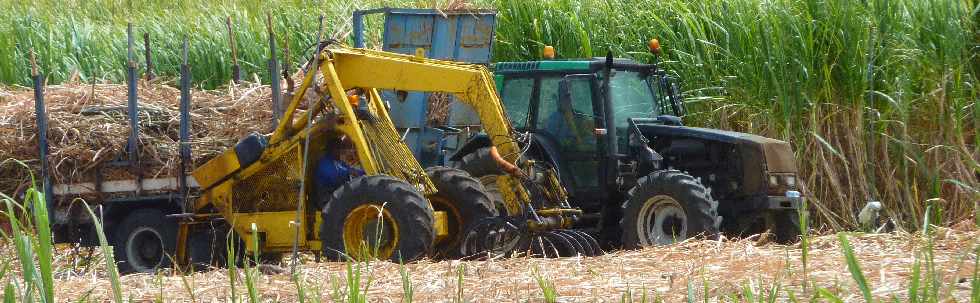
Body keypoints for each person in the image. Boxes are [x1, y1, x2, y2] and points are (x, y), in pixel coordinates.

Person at [314, 136, 364, 206]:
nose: (342, 151)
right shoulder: (324, 163)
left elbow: (351, 169)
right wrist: (349, 172)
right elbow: (334, 176)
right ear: (332, 149)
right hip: (326, 199)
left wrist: (364, 173)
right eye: (339, 148)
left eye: (341, 148)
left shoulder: (338, 161)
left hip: (336, 194)